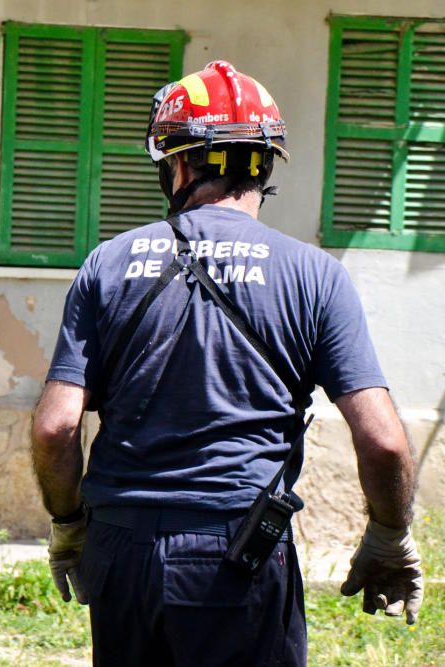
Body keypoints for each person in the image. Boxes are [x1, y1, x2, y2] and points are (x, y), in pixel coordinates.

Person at [30, 61, 422, 667]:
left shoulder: (107, 265)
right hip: (238, 558)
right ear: (264, 166)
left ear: (177, 164)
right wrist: (388, 539)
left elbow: (56, 427)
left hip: (121, 552)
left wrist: (68, 527)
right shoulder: (315, 276)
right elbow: (385, 442)